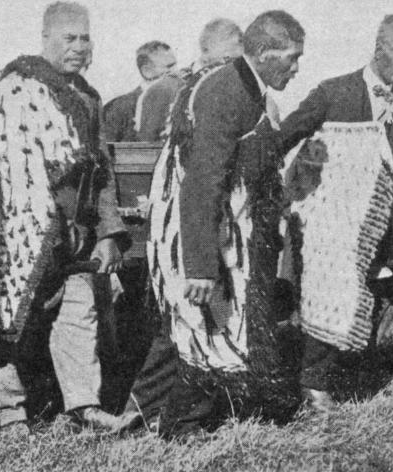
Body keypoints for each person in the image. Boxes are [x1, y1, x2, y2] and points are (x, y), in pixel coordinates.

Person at [0, 1, 138, 433]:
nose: (78, 46)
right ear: (46, 38)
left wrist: (108, 233)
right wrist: (42, 225)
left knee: (79, 314)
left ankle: (84, 408)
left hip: (78, 235)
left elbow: (101, 170)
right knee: (6, 320)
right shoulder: (16, 89)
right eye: (68, 38)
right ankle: (12, 416)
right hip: (19, 235)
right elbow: (6, 169)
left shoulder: (88, 97)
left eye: (85, 37)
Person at [143, 10, 305, 437]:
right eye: (291, 58)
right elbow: (201, 184)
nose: (296, 67)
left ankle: (182, 416)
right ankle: (180, 426)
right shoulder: (227, 91)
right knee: (205, 326)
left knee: (218, 326)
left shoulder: (245, 86)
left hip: (226, 226)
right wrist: (199, 264)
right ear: (265, 54)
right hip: (202, 229)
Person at [278, 14, 393, 409]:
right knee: (330, 292)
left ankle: (351, 373)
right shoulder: (334, 92)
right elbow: (287, 136)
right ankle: (314, 384)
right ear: (379, 49)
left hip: (388, 226)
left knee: (379, 297)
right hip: (333, 226)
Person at [117, 17, 245, 430]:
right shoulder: (199, 90)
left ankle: (140, 414)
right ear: (209, 53)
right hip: (192, 224)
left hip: (187, 221)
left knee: (183, 322)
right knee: (193, 320)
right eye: (230, 57)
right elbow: (198, 179)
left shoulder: (194, 87)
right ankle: (165, 418)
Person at [102, 40, 177, 142]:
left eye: (174, 65)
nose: (175, 72)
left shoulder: (178, 100)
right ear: (147, 71)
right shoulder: (119, 107)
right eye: (169, 67)